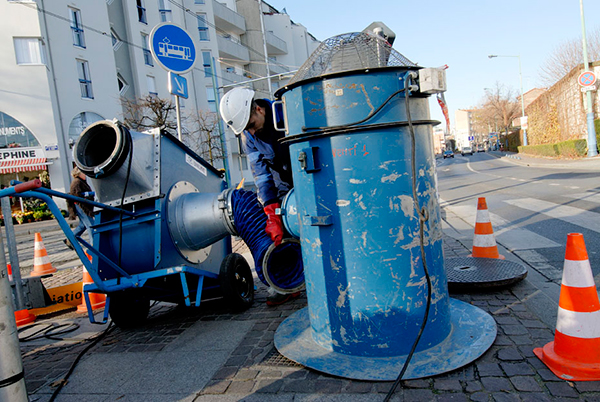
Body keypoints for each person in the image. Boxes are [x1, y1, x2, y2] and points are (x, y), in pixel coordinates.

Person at [219, 87, 298, 306]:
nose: (251, 133)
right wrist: (272, 211)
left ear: (259, 109)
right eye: (246, 130)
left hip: (307, 178)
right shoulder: (248, 136)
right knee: (284, 230)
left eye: (251, 126)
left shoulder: (289, 112)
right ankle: (287, 283)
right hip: (283, 187)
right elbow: (261, 174)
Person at [64, 167, 94, 250]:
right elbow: (76, 196)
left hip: (82, 206)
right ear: (79, 173)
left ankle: (70, 240)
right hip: (82, 207)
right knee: (91, 226)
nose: (85, 175)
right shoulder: (77, 182)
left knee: (83, 225)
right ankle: (94, 245)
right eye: (83, 173)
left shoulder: (80, 181)